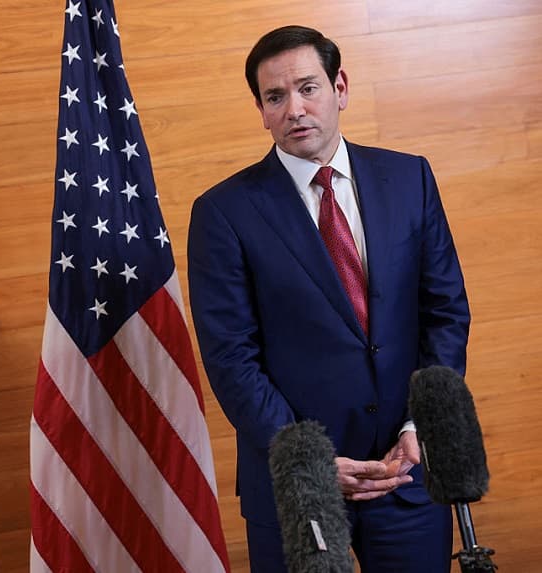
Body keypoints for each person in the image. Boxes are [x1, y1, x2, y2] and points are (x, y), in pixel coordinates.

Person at [186, 25, 470, 572]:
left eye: (308, 87)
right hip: (296, 484)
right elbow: (230, 358)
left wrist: (419, 428)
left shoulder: (410, 178)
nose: (295, 108)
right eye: (276, 96)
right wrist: (311, 459)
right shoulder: (223, 212)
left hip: (406, 472)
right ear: (262, 110)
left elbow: (446, 313)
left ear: (339, 88)